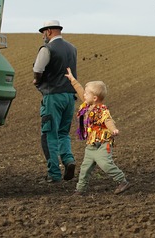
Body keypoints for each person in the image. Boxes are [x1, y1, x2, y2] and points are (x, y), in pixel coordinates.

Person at [64, 68, 131, 195]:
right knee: (84, 169)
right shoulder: (88, 105)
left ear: (94, 98)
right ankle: (80, 190)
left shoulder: (102, 110)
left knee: (105, 164)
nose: (84, 95)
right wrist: (72, 80)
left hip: (102, 143)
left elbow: (108, 121)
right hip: (91, 145)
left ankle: (122, 181)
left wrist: (114, 130)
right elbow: (80, 91)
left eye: (87, 94)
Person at [33, 20, 78, 183]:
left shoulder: (47, 49)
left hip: (53, 96)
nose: (43, 36)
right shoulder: (73, 49)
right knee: (63, 133)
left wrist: (37, 81)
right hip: (69, 96)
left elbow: (38, 69)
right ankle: (68, 160)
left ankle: (54, 174)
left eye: (43, 32)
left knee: (49, 134)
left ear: (49, 31)